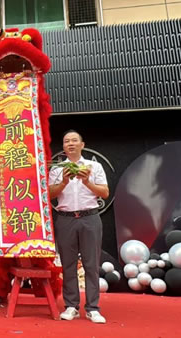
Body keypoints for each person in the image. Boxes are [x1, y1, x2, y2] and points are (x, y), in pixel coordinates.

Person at [48, 130, 109, 324]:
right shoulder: (57, 169)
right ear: (64, 147)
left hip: (89, 217)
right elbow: (50, 194)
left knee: (92, 264)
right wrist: (64, 182)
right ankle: (71, 306)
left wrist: (87, 182)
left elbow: (105, 193)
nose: (71, 144)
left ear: (82, 145)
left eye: (75, 141)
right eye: (67, 141)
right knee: (68, 265)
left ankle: (93, 308)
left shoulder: (94, 166)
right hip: (65, 219)